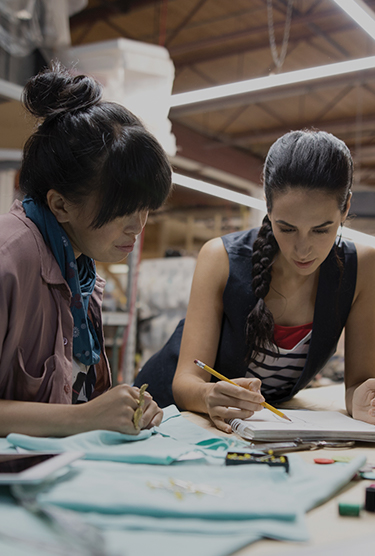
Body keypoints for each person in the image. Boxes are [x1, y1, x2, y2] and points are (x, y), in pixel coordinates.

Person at [135, 129, 375, 433]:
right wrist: (208, 394)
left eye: (321, 230)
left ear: (346, 208)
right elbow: (185, 383)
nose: (303, 248)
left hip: (251, 429)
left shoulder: (361, 267)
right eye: (287, 229)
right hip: (166, 416)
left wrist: (364, 400)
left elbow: (357, 386)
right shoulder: (221, 257)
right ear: (268, 205)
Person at [0, 62, 172, 437]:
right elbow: (75, 416)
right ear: (60, 205)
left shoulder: (79, 266)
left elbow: (74, 396)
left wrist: (123, 408)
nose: (138, 225)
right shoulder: (11, 260)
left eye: (145, 209)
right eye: (122, 212)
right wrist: (85, 418)